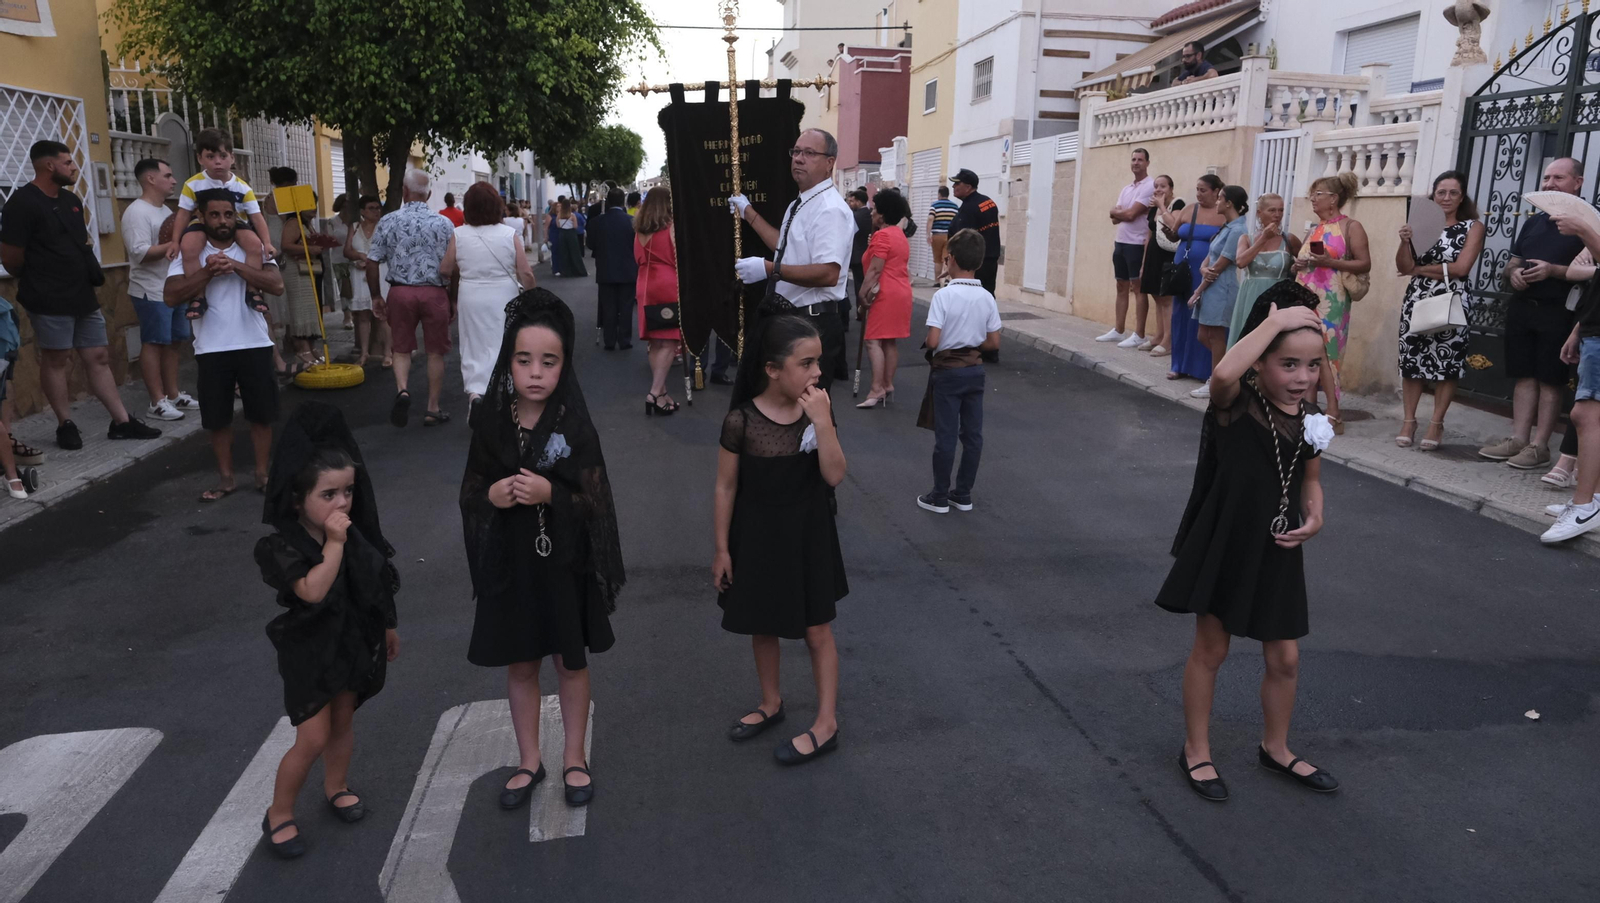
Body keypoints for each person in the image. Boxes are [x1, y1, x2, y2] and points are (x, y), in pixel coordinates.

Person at [1156, 280, 1337, 802]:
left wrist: (1316, 511)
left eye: (1311, 365)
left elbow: (1311, 478)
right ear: (1260, 360)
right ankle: (1196, 750)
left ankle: (1276, 748)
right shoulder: (1235, 402)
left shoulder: (1309, 419)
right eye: (1288, 364)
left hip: (1278, 546)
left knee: (1285, 659)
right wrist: (1275, 323)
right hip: (1227, 543)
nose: (1303, 377)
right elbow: (1222, 373)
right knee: (1211, 650)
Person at [461, 288, 625, 808]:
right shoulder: (491, 419)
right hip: (515, 567)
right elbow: (471, 489)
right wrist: (493, 493)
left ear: (563, 364)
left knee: (570, 663)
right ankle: (529, 758)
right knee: (521, 664)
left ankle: (573, 755)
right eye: (524, 359)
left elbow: (595, 499)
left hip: (563, 566)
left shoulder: (572, 423)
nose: (535, 372)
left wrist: (551, 492)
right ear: (509, 360)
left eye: (548, 362)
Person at [254, 402, 400, 858]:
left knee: (343, 720)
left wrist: (388, 627)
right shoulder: (280, 545)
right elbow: (313, 590)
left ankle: (336, 786)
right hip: (310, 649)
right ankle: (279, 811)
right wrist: (335, 542)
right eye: (329, 494)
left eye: (348, 491)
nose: (342, 503)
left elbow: (373, 581)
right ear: (298, 499)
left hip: (351, 638)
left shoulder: (352, 532)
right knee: (313, 736)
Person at [713, 308, 847, 765]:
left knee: (816, 629)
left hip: (808, 535)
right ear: (772, 370)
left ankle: (825, 723)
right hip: (758, 536)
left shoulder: (818, 410)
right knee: (763, 622)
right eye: (806, 363)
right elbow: (725, 485)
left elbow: (834, 475)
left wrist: (824, 423)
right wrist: (721, 549)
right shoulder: (742, 421)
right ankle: (771, 702)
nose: (817, 372)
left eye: (818, 362)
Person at [0, 140, 162, 449]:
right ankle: (66, 424)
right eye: (68, 161)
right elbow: (10, 258)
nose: (74, 166)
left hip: (82, 293)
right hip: (48, 296)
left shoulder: (71, 200)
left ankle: (122, 422)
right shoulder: (22, 203)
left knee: (98, 355)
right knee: (57, 358)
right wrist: (41, 277)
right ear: (50, 166)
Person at [162, 190, 284, 500]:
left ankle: (262, 475)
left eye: (228, 214)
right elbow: (171, 296)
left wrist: (236, 266)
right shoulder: (190, 250)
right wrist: (207, 272)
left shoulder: (253, 245)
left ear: (236, 215)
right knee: (218, 419)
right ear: (202, 217)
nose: (222, 221)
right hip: (211, 347)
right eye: (214, 215)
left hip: (254, 343)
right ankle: (226, 479)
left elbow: (277, 286)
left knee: (261, 415)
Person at [728, 128, 857, 390]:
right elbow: (783, 245)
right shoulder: (801, 202)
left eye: (809, 153)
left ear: (829, 163)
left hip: (813, 322)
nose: (798, 158)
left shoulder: (830, 209)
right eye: (796, 151)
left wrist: (769, 269)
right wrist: (748, 211)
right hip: (793, 320)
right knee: (784, 405)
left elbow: (828, 273)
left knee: (806, 407)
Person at [1480, 158, 1587, 469]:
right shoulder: (1533, 222)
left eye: (1558, 178)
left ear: (1577, 183)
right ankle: (1518, 439)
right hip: (1523, 307)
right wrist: (1512, 273)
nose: (1549, 184)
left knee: (1550, 379)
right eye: (1547, 177)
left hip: (1560, 312)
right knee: (1524, 375)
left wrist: (1553, 270)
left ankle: (1540, 447)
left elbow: (1593, 273)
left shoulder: (1587, 223)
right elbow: (1512, 262)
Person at [1395, 171, 1485, 451]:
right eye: (1441, 192)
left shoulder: (1473, 227)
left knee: (1448, 363)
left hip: (1453, 298)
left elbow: (1461, 268)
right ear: (1433, 195)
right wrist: (1404, 241)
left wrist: (1420, 269)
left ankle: (1436, 423)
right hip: (1418, 297)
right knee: (1411, 360)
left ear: (1462, 197)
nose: (1446, 198)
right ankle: (1409, 421)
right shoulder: (1419, 224)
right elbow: (1402, 266)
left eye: (1453, 193)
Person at [916, 229, 1001, 514]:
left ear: (949, 259)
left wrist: (935, 340)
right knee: (973, 435)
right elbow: (993, 342)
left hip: (948, 372)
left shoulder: (944, 296)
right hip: (974, 372)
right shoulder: (987, 297)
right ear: (977, 263)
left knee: (946, 436)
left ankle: (939, 495)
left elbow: (934, 341)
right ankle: (962, 494)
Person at [366, 169, 458, 429]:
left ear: (404, 192)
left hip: (401, 292)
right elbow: (455, 267)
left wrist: (376, 296)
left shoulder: (388, 221)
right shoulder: (444, 224)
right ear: (428, 195)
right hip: (435, 292)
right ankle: (432, 408)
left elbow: (372, 262)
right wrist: (453, 299)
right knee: (436, 352)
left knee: (401, 348)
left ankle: (403, 390)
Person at [121, 157, 200, 421]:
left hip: (173, 287)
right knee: (154, 343)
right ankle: (156, 402)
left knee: (175, 342)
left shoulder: (166, 212)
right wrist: (173, 246)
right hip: (150, 290)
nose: (174, 180)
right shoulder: (137, 212)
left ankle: (173, 393)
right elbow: (139, 252)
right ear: (150, 179)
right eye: (167, 175)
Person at [1292, 171, 1371, 433]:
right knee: (1308, 353)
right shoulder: (1314, 228)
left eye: (1318, 195)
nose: (1313, 200)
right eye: (1312, 195)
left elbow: (1364, 263)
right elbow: (1300, 263)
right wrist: (1299, 263)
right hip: (1306, 296)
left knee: (1328, 355)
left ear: (1334, 199)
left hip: (1333, 299)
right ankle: (1309, 409)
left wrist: (1330, 262)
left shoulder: (1351, 227)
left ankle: (1334, 414)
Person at [1539, 207, 1600, 542]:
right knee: (1591, 414)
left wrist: (1583, 231)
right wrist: (1579, 329)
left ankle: (1583, 505)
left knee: (1586, 414)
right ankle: (1594, 499)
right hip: (1594, 326)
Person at [172, 129, 276, 317]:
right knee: (188, 246)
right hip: (202, 223)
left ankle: (253, 290)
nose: (217, 162)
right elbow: (183, 214)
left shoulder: (242, 187)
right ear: (200, 159)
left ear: (232, 158)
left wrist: (266, 242)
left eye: (222, 156)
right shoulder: (192, 184)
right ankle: (198, 295)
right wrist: (174, 241)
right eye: (210, 156)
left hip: (235, 222)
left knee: (254, 244)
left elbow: (256, 216)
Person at [454, 182, 537, 403]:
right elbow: (525, 273)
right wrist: (532, 296)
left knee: (473, 344)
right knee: (504, 340)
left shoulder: (459, 234)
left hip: (470, 294)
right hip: (503, 293)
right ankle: (505, 389)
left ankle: (475, 392)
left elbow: (445, 268)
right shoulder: (509, 234)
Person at [1186, 185, 1251, 400]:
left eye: (1220, 198)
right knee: (1203, 335)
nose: (1217, 202)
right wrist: (1203, 268)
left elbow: (1220, 266)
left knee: (1215, 336)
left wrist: (1197, 291)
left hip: (1221, 289)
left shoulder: (1237, 231)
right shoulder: (1227, 226)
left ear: (1229, 203)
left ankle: (1217, 381)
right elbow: (1210, 259)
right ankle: (1227, 371)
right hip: (1211, 286)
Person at [1164, 174, 1227, 384]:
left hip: (1206, 272)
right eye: (1197, 189)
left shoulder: (1223, 214)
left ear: (1216, 191)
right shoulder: (1189, 209)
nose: (1199, 194)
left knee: (1202, 319)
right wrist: (1170, 232)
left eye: (1203, 190)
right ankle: (1178, 365)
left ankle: (1202, 369)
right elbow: (1175, 234)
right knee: (1180, 315)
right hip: (1183, 270)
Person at [856, 188, 913, 408]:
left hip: (884, 292)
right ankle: (887, 385)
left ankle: (876, 388)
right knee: (889, 340)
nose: (871, 213)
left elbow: (875, 269)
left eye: (875, 210)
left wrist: (862, 293)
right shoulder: (899, 234)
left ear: (882, 214)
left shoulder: (882, 236)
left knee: (872, 341)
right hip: (901, 291)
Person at [634, 185, 684, 414]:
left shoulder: (640, 230)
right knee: (671, 340)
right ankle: (654, 393)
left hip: (644, 282)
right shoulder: (671, 227)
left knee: (655, 341)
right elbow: (678, 259)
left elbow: (636, 258)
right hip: (666, 282)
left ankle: (662, 392)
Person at [1228, 192, 1300, 348]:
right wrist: (1263, 239)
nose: (1277, 215)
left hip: (1278, 297)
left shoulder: (1289, 239)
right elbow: (1240, 262)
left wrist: (1296, 268)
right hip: (1251, 296)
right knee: (1248, 342)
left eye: (1280, 210)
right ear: (1260, 213)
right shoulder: (1246, 238)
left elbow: (1304, 264)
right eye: (1272, 210)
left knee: (1274, 345)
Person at [1101, 148, 1155, 347]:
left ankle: (1139, 334)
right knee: (1120, 285)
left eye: (1140, 159)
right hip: (1121, 241)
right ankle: (1119, 329)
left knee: (1138, 288)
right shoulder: (1127, 189)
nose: (1136, 163)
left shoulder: (1149, 186)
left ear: (1147, 163)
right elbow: (1115, 218)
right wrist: (1118, 213)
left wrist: (1119, 212)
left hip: (1137, 243)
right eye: (1133, 159)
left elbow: (1131, 215)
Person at [279, 207, 332, 373]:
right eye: (310, 207)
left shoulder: (308, 224)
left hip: (308, 270)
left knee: (309, 307)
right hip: (296, 270)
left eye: (316, 207)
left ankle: (309, 345)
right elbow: (285, 245)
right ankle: (302, 347)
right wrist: (309, 249)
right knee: (300, 307)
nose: (314, 211)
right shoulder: (294, 222)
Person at [586, 188, 639, 351]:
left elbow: (590, 245)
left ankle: (609, 340)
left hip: (606, 269)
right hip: (627, 269)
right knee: (626, 307)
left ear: (607, 201)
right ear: (623, 201)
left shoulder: (597, 222)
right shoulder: (632, 221)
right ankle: (625, 340)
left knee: (608, 306)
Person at [344, 195, 392, 369]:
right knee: (363, 315)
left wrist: (373, 260)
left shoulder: (385, 227)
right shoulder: (355, 227)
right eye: (372, 208)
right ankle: (365, 352)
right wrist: (359, 256)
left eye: (378, 208)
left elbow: (391, 250)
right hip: (359, 273)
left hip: (380, 271)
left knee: (383, 315)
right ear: (363, 211)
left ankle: (388, 352)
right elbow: (347, 250)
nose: (376, 211)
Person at [1140, 175, 1185, 356]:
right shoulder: (1153, 207)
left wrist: (1161, 206)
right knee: (1156, 296)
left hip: (1168, 256)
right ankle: (1158, 335)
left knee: (1166, 299)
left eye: (1163, 186)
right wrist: (1144, 262)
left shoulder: (1178, 204)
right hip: (1153, 255)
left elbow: (1174, 226)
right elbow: (1149, 234)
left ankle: (1168, 340)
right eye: (1156, 186)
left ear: (1171, 188)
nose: (1158, 189)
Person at [947, 169, 1001, 293]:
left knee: (970, 297)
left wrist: (953, 264)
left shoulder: (968, 208)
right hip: (991, 259)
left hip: (974, 264)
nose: (953, 186)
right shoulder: (988, 201)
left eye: (957, 183)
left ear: (968, 187)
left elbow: (963, 240)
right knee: (987, 295)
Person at [846, 187, 871, 333]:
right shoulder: (868, 214)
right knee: (865, 284)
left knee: (858, 286)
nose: (850, 203)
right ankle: (864, 311)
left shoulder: (854, 216)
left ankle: (861, 312)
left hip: (856, 255)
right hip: (866, 253)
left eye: (852, 200)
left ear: (859, 201)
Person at [928, 186, 960, 285]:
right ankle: (946, 280)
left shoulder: (935, 205)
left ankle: (937, 281)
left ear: (939, 194)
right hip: (950, 236)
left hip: (937, 235)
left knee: (938, 260)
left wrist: (928, 234)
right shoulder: (955, 206)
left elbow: (930, 219)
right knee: (947, 258)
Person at [551, 199, 587, 277]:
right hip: (571, 234)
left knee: (564, 253)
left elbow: (558, 225)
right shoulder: (572, 215)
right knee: (574, 252)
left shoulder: (559, 215)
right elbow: (575, 226)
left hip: (562, 234)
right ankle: (579, 270)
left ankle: (565, 271)